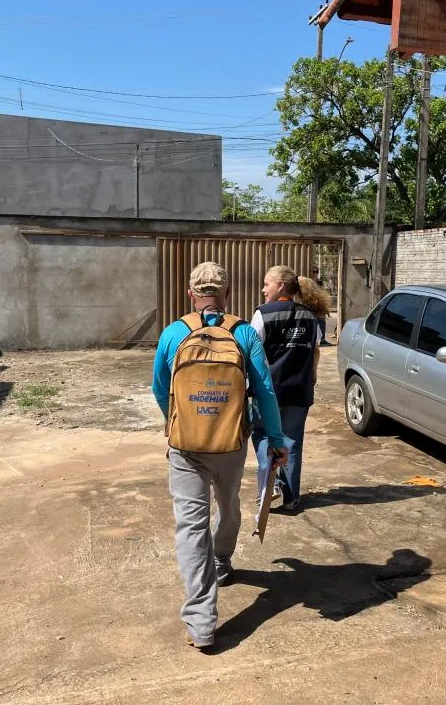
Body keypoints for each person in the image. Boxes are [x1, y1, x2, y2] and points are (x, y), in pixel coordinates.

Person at [152, 261, 288, 651]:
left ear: (190, 294)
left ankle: (201, 622)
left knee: (191, 527)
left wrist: (173, 420)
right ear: (226, 294)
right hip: (231, 443)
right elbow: (265, 392)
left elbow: (160, 388)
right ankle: (222, 562)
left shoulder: (174, 333)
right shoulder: (243, 332)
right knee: (227, 509)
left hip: (186, 447)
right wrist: (276, 440)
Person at [250, 265, 333, 512]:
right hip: (300, 389)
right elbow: (315, 351)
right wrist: (313, 377)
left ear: (281, 286)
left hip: (269, 391)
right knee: (292, 441)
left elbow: (252, 351)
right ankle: (291, 498)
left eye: (267, 284)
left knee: (263, 435)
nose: (264, 289)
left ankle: (271, 484)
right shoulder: (311, 316)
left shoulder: (263, 314)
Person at [311, 266, 333, 346]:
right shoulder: (308, 282)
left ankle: (322, 340)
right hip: (310, 305)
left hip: (318, 304)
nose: (315, 273)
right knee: (312, 323)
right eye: (313, 271)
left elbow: (322, 293)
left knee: (322, 322)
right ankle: (313, 340)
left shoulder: (319, 282)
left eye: (316, 271)